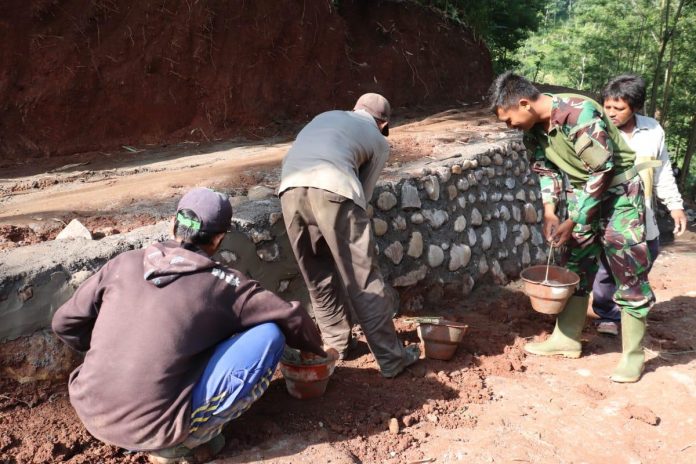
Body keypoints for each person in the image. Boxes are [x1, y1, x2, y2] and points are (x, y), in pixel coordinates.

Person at [52, 187, 330, 463]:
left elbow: (64, 322)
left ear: (174, 224)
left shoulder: (124, 263)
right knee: (269, 336)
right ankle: (180, 445)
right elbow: (291, 317)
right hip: (152, 428)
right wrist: (314, 351)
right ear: (219, 238)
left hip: (89, 408)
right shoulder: (227, 285)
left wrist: (115, 350)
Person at [488, 72, 655, 383]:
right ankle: (566, 338)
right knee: (575, 264)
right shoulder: (533, 131)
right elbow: (546, 171)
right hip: (584, 195)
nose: (508, 126)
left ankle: (633, 355)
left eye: (508, 119)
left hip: (619, 196)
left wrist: (574, 218)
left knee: (628, 271)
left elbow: (602, 168)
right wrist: (550, 212)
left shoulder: (579, 112)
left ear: (524, 103)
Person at [278, 93, 420, 378]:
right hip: (335, 188)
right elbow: (362, 194)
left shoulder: (326, 116)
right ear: (383, 123)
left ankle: (336, 345)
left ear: (356, 109)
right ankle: (392, 359)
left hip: (289, 189)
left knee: (317, 274)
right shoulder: (378, 140)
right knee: (363, 278)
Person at [593, 74, 687, 335]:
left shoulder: (652, 130)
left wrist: (675, 205)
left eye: (619, 108)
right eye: (607, 106)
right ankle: (608, 315)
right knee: (607, 268)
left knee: (646, 258)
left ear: (635, 107)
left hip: (644, 216)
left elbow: (662, 171)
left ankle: (631, 309)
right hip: (609, 216)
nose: (611, 113)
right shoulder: (595, 130)